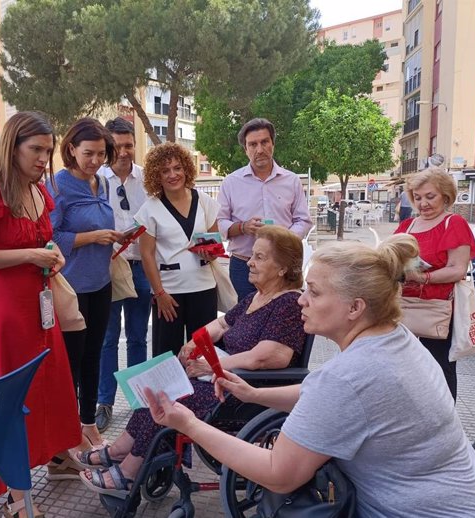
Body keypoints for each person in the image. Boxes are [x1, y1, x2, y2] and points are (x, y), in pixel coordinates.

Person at [145, 234, 475, 518]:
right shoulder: (395, 338)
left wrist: (188, 425)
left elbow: (278, 473)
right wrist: (256, 395)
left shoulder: (351, 376)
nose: (301, 300)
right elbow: (325, 391)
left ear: (355, 307)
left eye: (314, 292)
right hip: (469, 499)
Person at [79, 225, 308, 496]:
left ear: (282, 268)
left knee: (168, 397)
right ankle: (119, 450)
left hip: (245, 390)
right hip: (222, 378)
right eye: (252, 255)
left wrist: (214, 367)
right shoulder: (255, 297)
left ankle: (129, 472)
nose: (250, 262)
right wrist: (194, 342)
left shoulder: (288, 304)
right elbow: (222, 325)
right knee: (155, 385)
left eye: (260, 257)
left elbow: (270, 357)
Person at [0, 111, 81, 516]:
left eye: (48, 150)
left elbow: (43, 239)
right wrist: (31, 254)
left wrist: (53, 254)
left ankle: (57, 457)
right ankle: (16, 495)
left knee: (48, 385)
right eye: (36, 149)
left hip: (39, 306)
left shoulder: (38, 192)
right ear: (13, 147)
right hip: (5, 312)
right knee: (13, 397)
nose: (44, 159)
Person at [49, 117, 122, 449]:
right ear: (71, 149)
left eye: (102, 154)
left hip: (101, 282)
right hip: (71, 287)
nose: (96, 161)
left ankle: (89, 424)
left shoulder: (102, 183)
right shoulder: (58, 185)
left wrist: (113, 238)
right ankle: (65, 436)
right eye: (89, 153)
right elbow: (49, 238)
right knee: (71, 364)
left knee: (94, 356)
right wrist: (91, 236)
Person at [395, 167, 475, 400]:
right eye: (418, 198)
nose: (423, 204)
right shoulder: (408, 226)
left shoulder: (454, 223)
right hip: (405, 304)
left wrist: (423, 277)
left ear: (446, 195)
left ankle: (444, 421)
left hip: (439, 307)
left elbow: (457, 269)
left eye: (430, 197)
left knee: (440, 366)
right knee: (406, 365)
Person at [135, 142, 220, 358]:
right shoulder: (149, 209)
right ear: (157, 175)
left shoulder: (205, 202)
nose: (173, 175)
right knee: (167, 356)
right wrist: (159, 293)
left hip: (203, 287)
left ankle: (205, 393)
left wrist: (210, 253)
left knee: (204, 355)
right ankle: (168, 394)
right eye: (165, 170)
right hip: (169, 294)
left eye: (177, 168)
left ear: (186, 169)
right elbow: (146, 255)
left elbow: (215, 244)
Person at [95, 118, 150, 433]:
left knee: (139, 338)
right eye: (118, 146)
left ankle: (140, 400)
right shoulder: (97, 180)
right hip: (109, 267)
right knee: (107, 339)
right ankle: (105, 402)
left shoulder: (146, 179)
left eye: (129, 145)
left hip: (141, 266)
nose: (125, 152)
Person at [217, 118, 312, 300]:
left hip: (283, 266)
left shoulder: (291, 181)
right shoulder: (231, 182)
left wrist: (283, 240)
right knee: (245, 320)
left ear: (273, 144)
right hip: (244, 265)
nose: (259, 150)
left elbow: (303, 220)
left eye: (264, 142)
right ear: (245, 149)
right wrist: (243, 227)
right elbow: (220, 222)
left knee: (282, 319)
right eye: (252, 144)